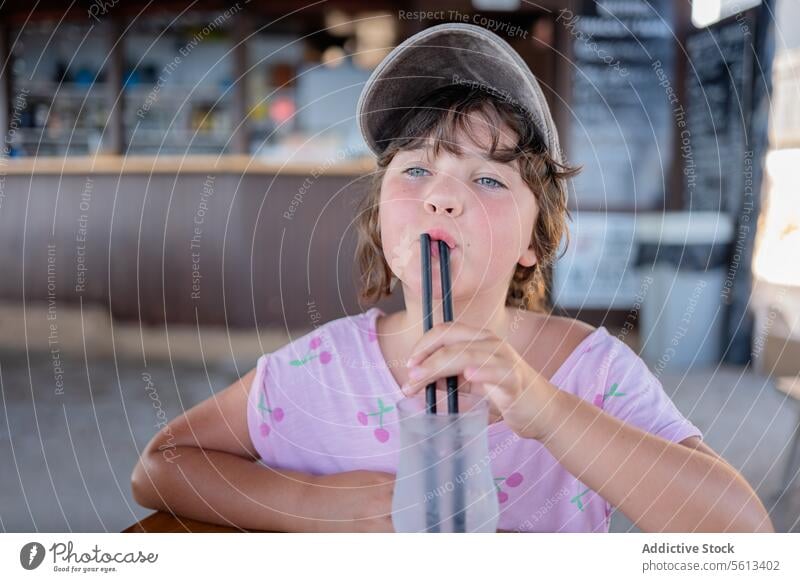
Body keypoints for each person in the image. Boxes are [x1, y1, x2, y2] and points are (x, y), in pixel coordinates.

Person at [131, 23, 773, 533]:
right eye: (414, 171)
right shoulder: (319, 373)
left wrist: (546, 410)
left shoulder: (592, 376)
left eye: (488, 179)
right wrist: (308, 503)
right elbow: (160, 467)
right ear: (381, 211)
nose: (442, 197)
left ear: (534, 242)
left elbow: (744, 539)